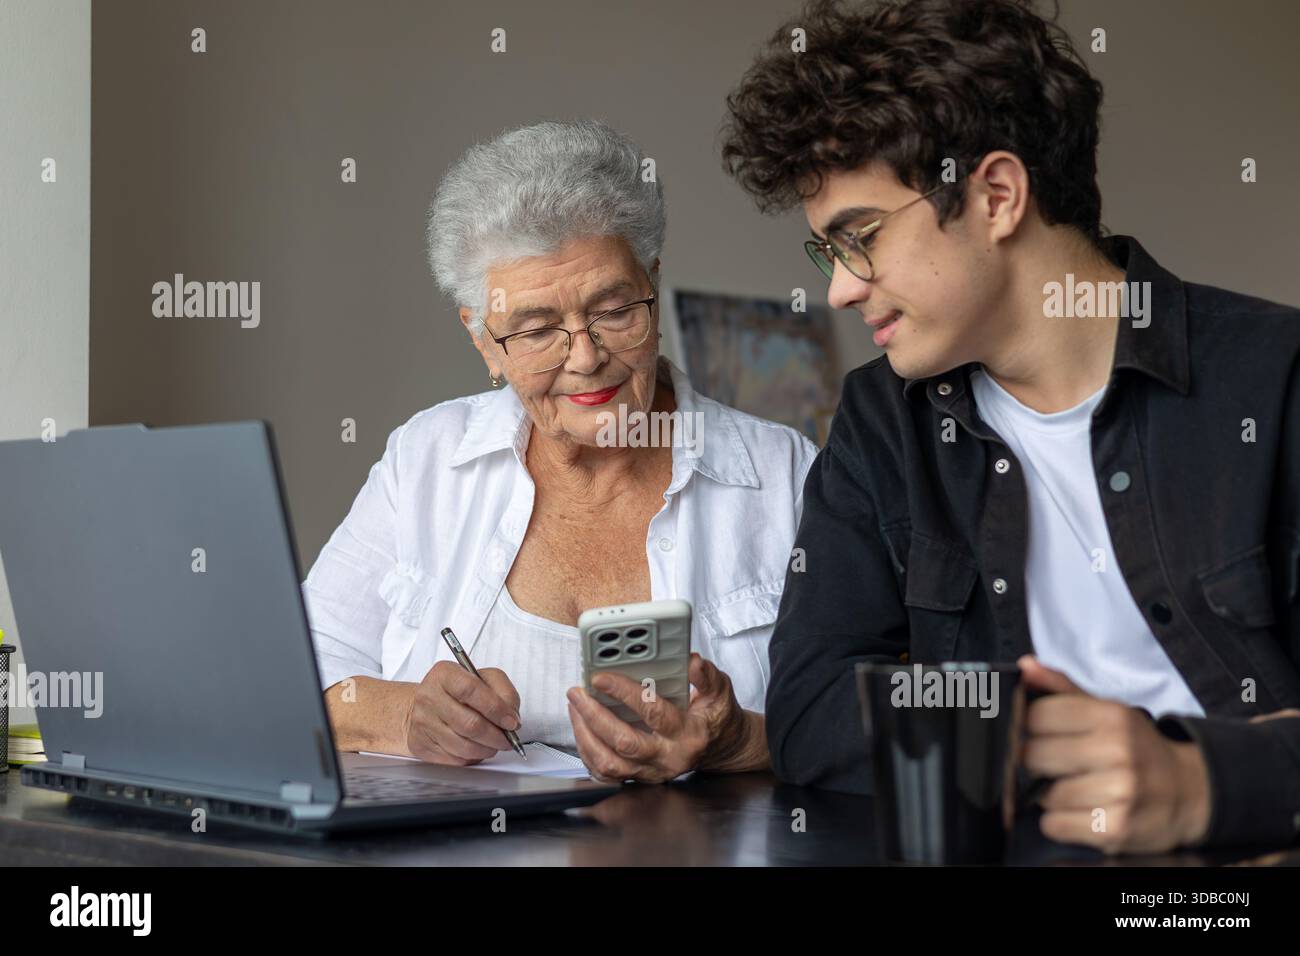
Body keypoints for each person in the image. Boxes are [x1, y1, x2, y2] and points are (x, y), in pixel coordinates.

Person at [721, 0, 1300, 852]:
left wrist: (1201, 778)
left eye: (860, 237)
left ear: (996, 195)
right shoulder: (883, 421)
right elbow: (810, 710)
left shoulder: (1276, 377)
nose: (841, 289)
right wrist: (1016, 726)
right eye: (828, 254)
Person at [302, 120, 818, 783]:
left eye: (612, 311)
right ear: (484, 341)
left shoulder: (785, 476)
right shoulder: (425, 460)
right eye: (538, 328)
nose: (585, 357)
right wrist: (406, 715)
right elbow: (300, 672)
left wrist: (738, 742)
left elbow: (867, 721)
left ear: (653, 285)